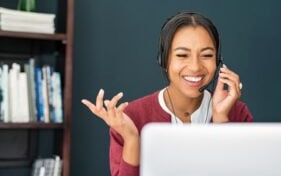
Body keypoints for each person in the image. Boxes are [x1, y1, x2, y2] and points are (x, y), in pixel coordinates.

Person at [81, 12, 253, 176]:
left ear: (218, 61)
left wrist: (221, 119)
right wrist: (133, 139)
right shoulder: (129, 118)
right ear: (164, 60)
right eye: (182, 55)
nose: (195, 67)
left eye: (207, 55)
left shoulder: (237, 113)